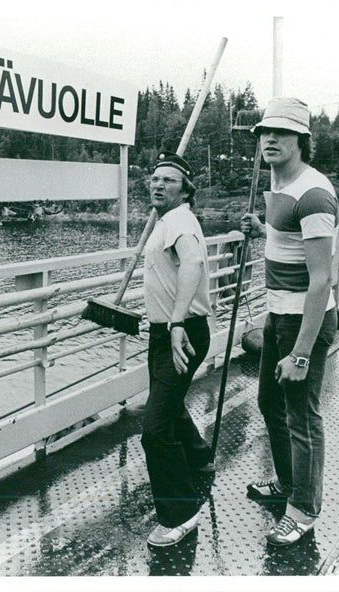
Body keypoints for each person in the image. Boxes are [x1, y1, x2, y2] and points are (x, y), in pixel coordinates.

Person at [239, 97, 339, 547]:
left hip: (306, 323)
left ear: (302, 140)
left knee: (302, 416)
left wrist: (300, 353)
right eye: (264, 132)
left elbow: (322, 281)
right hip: (279, 314)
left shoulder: (314, 194)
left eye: (282, 133)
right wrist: (263, 228)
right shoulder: (279, 185)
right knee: (268, 403)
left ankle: (304, 510)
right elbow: (288, 240)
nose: (270, 139)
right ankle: (286, 483)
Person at [141, 151, 214, 547]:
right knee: (166, 402)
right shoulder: (167, 220)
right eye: (155, 178)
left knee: (154, 430)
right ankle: (199, 456)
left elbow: (192, 264)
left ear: (186, 189)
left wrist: (176, 322)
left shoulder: (181, 220)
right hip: (165, 330)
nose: (158, 184)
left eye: (169, 180)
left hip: (180, 333)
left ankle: (181, 514)